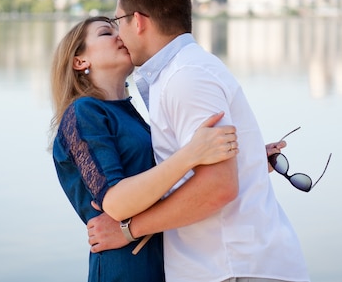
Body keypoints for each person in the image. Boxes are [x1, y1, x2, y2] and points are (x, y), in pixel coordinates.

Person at [87, 0, 310, 282]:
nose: (118, 34)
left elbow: (218, 188)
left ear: (137, 21)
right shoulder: (183, 71)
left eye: (117, 22)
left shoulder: (185, 77)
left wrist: (128, 229)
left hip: (231, 268)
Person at [49, 16, 240, 282]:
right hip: (125, 266)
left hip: (165, 261)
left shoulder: (131, 114)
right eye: (106, 33)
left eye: (119, 29)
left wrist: (236, 161)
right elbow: (117, 203)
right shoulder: (84, 113)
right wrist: (192, 153)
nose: (120, 36)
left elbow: (160, 185)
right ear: (80, 61)